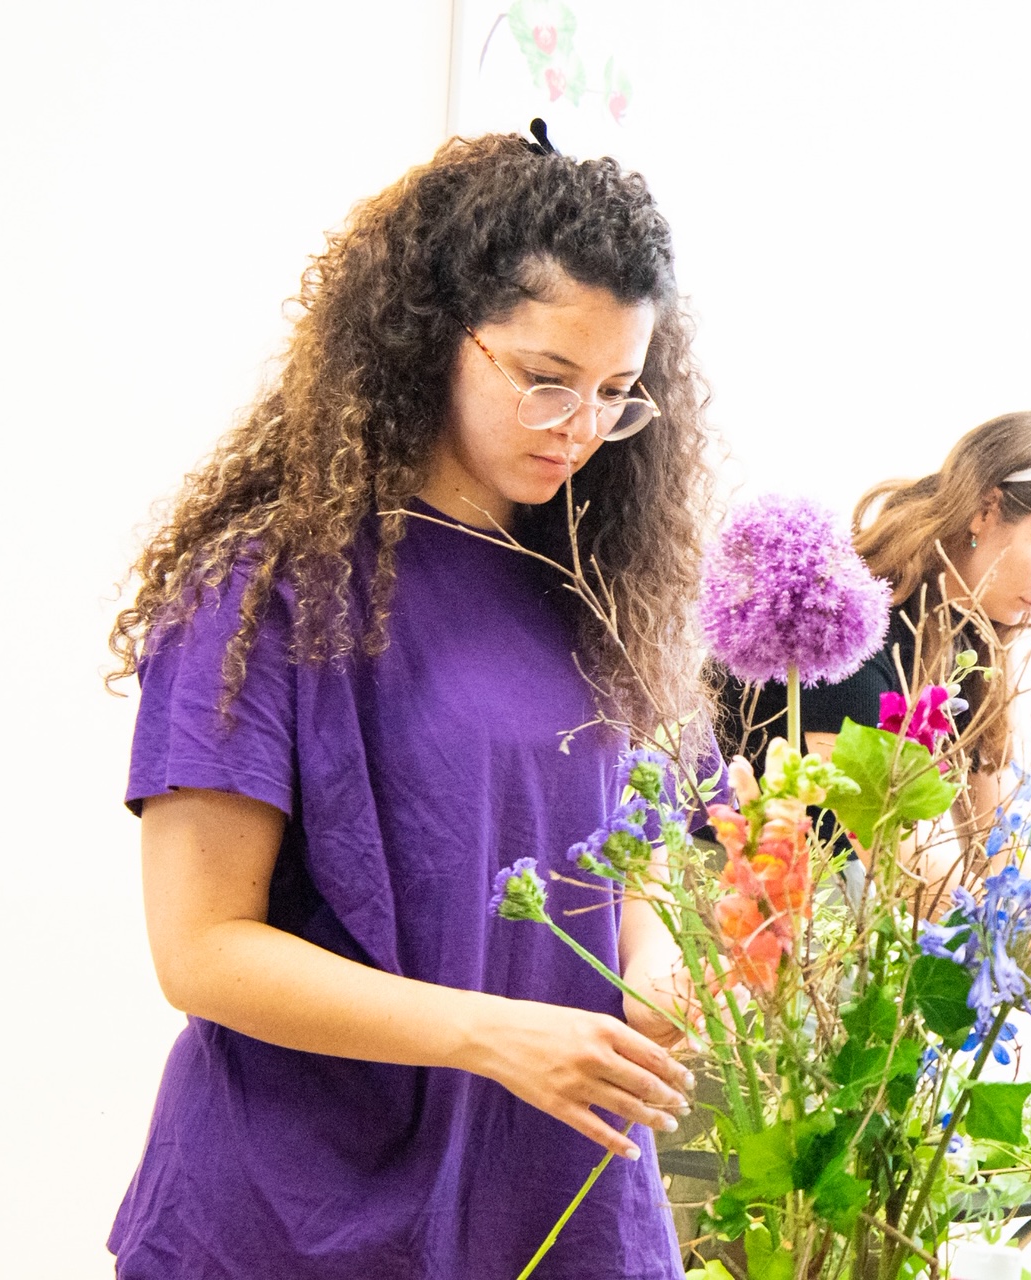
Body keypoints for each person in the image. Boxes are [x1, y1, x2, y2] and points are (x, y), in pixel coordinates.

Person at [105, 128, 717, 1279]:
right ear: (434, 336)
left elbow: (637, 857)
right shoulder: (267, 592)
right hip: (303, 1217)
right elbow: (201, 948)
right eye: (543, 378)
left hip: (552, 1199)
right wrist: (490, 1032)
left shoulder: (598, 596)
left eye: (616, 393)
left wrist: (654, 960)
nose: (579, 427)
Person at [717, 410, 1031, 1086]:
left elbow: (993, 856)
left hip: (826, 960)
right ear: (985, 508)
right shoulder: (846, 644)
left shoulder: (962, 650)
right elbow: (913, 875)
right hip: (734, 967)